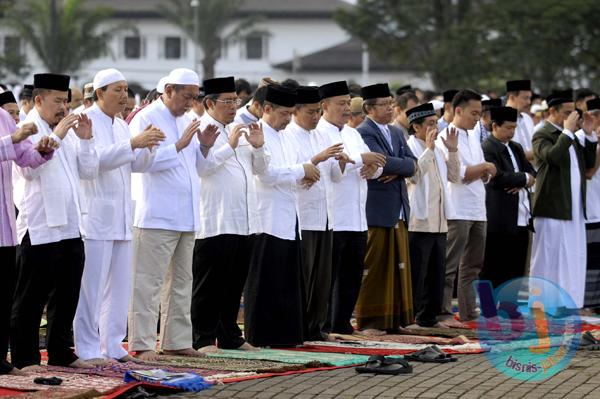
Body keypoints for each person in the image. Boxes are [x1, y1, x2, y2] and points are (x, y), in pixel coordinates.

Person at [73, 69, 165, 364]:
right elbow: (93, 163)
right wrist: (133, 145)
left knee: (119, 287)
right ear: (99, 93)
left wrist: (148, 147)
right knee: (92, 288)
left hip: (122, 216)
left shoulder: (122, 126)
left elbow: (135, 164)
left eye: (126, 89)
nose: (124, 95)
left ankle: (112, 344)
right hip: (96, 217)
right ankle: (86, 347)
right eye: (117, 89)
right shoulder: (86, 121)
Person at [127, 68, 219, 361]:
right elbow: (139, 163)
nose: (192, 103)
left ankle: (176, 340)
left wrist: (204, 146)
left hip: (187, 215)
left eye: (195, 97)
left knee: (182, 281)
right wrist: (177, 146)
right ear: (168, 90)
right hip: (156, 214)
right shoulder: (146, 117)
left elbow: (199, 170)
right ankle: (141, 344)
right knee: (147, 283)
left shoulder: (191, 120)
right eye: (187, 96)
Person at [11, 73, 98, 370]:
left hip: (72, 224)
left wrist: (85, 140)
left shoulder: (70, 128)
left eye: (66, 101)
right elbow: (29, 171)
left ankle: (61, 352)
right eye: (57, 101)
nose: (64, 107)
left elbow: (87, 172)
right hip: (40, 225)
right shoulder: (26, 127)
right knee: (31, 297)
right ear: (38, 100)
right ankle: (25, 357)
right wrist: (59, 134)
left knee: (67, 293)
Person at [191, 76, 267, 353]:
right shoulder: (199, 129)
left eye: (235, 101)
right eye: (227, 101)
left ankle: (230, 336)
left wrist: (258, 146)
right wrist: (228, 146)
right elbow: (202, 168)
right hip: (215, 219)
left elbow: (259, 170)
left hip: (244, 219)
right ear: (209, 103)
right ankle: (202, 338)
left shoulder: (240, 128)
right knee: (209, 283)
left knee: (234, 284)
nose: (233, 106)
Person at [244, 85, 319, 347]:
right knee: (265, 280)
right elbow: (266, 174)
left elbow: (296, 169)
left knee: (287, 280)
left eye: (290, 113)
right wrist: (301, 171)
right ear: (267, 109)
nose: (288, 118)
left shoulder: (286, 136)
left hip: (289, 214)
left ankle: (286, 335)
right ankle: (261, 335)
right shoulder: (256, 134)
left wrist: (304, 175)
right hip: (267, 217)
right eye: (284, 113)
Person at [317, 81, 385, 334]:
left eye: (348, 103)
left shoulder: (353, 133)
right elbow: (334, 170)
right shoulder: (320, 132)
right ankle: (324, 324)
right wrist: (360, 161)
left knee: (352, 275)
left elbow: (376, 164)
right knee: (330, 276)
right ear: (324, 106)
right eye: (341, 104)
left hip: (357, 217)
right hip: (334, 215)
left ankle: (342, 323)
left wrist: (372, 167)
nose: (346, 109)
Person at [284, 85, 344, 341]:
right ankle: (299, 327)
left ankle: (316, 328)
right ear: (296, 111)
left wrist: (341, 161)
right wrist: (315, 161)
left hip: (325, 214)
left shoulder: (321, 135)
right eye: (311, 112)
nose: (316, 117)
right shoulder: (288, 135)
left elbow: (334, 176)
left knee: (322, 277)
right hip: (303, 215)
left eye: (319, 111)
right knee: (304, 277)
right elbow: (291, 172)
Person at [355, 83, 416, 332]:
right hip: (378, 209)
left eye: (391, 103)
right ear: (369, 108)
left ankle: (396, 320)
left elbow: (412, 164)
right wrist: (395, 167)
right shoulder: (364, 131)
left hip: (397, 206)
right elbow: (379, 161)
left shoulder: (397, 132)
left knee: (398, 266)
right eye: (384, 104)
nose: (390, 108)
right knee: (376, 267)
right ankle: (371, 321)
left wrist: (396, 169)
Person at [0, 109, 56, 375]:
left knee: (4, 293)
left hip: (5, 222)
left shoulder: (3, 116)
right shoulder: (11, 126)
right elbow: (11, 143)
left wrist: (42, 151)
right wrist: (13, 138)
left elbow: (24, 158)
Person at [531, 94, 597, 311]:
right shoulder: (542, 134)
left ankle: (567, 303)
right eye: (567, 113)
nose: (571, 117)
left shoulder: (572, 137)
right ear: (552, 112)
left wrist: (588, 133)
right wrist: (569, 131)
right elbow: (552, 157)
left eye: (573, 113)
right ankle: (542, 305)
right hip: (552, 208)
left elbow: (588, 165)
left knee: (572, 257)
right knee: (549, 258)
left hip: (573, 209)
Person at [438, 89, 497, 325]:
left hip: (477, 208)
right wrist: (483, 168)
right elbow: (458, 175)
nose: (477, 118)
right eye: (473, 113)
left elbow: (484, 173)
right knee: (450, 264)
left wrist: (482, 170)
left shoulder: (473, 136)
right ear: (458, 110)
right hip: (457, 208)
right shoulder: (446, 137)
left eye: (480, 113)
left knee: (474, 264)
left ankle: (468, 310)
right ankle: (442, 312)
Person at [406, 103, 460, 328]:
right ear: (416, 127)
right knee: (418, 273)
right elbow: (414, 176)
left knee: (436, 274)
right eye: (429, 124)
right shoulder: (410, 147)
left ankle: (429, 317)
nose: (434, 128)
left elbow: (455, 177)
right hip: (419, 221)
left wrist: (453, 150)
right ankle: (413, 317)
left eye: (436, 123)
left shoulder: (438, 149)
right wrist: (428, 149)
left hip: (439, 221)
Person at [480, 106, 536, 290]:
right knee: (494, 266)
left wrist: (522, 179)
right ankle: (488, 307)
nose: (512, 132)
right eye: (508, 128)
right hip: (499, 217)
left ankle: (509, 307)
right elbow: (497, 177)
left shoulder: (516, 147)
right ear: (495, 126)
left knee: (516, 266)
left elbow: (532, 172)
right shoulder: (487, 148)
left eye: (514, 128)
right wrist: (523, 179)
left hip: (521, 216)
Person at [578, 98, 600, 309]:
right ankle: (589, 303)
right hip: (591, 209)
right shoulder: (583, 138)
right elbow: (588, 173)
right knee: (591, 260)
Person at [505, 80, 535, 162]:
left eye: (530, 98)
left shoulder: (527, 119)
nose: (529, 102)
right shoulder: (501, 120)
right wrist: (537, 154)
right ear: (512, 97)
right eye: (525, 98)